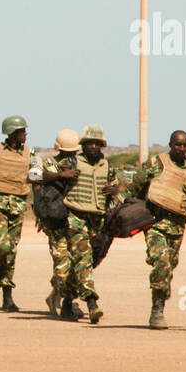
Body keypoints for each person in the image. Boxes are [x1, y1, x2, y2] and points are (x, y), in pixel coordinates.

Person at [117, 131, 186, 329]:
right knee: (162, 264)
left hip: (177, 227)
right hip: (155, 224)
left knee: (169, 267)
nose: (181, 149)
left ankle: (160, 301)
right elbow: (135, 187)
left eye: (184, 145)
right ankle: (157, 311)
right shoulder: (156, 164)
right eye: (177, 145)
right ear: (170, 145)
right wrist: (126, 209)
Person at [0, 115, 38, 312]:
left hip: (18, 204)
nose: (25, 135)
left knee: (11, 251)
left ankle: (7, 294)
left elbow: (35, 178)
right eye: (21, 132)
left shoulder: (30, 153)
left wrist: (37, 206)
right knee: (1, 246)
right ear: (11, 133)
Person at [59, 125, 119, 324]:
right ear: (82, 145)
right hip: (76, 217)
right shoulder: (71, 162)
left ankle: (67, 300)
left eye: (97, 143)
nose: (93, 146)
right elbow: (47, 178)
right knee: (83, 259)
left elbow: (119, 190)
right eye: (89, 143)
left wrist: (115, 191)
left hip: (98, 219)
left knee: (85, 263)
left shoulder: (107, 166)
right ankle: (92, 302)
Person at [37, 130, 83, 320]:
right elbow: (35, 178)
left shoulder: (81, 164)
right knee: (62, 266)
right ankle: (55, 297)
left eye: (72, 152)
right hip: (56, 222)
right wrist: (62, 175)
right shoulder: (49, 164)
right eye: (66, 152)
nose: (70, 156)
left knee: (78, 267)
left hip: (77, 223)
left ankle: (68, 300)